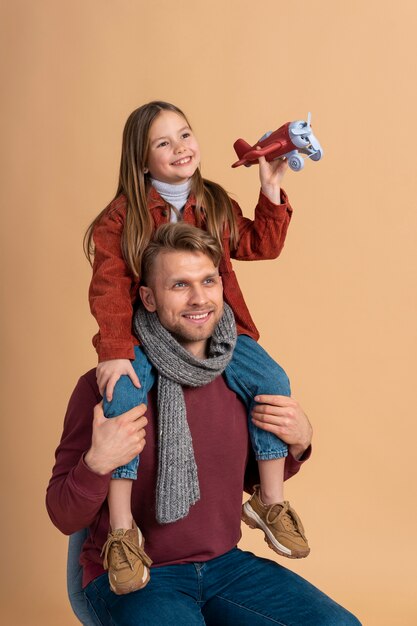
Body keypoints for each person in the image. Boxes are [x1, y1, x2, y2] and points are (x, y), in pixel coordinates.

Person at [46, 224, 361, 625]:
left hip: (225, 567)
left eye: (208, 281)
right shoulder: (109, 387)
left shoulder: (241, 378)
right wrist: (97, 463)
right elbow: (63, 516)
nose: (199, 298)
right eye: (179, 285)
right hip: (136, 577)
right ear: (148, 297)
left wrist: (298, 445)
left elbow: (236, 478)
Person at [83, 101, 309, 592]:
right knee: (123, 396)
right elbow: (107, 287)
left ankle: (269, 499)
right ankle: (123, 530)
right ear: (142, 160)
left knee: (271, 380)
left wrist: (270, 189)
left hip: (218, 325)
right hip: (148, 330)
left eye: (185, 135)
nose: (180, 148)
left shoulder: (214, 200)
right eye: (163, 143)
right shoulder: (120, 218)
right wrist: (116, 351)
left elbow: (260, 245)